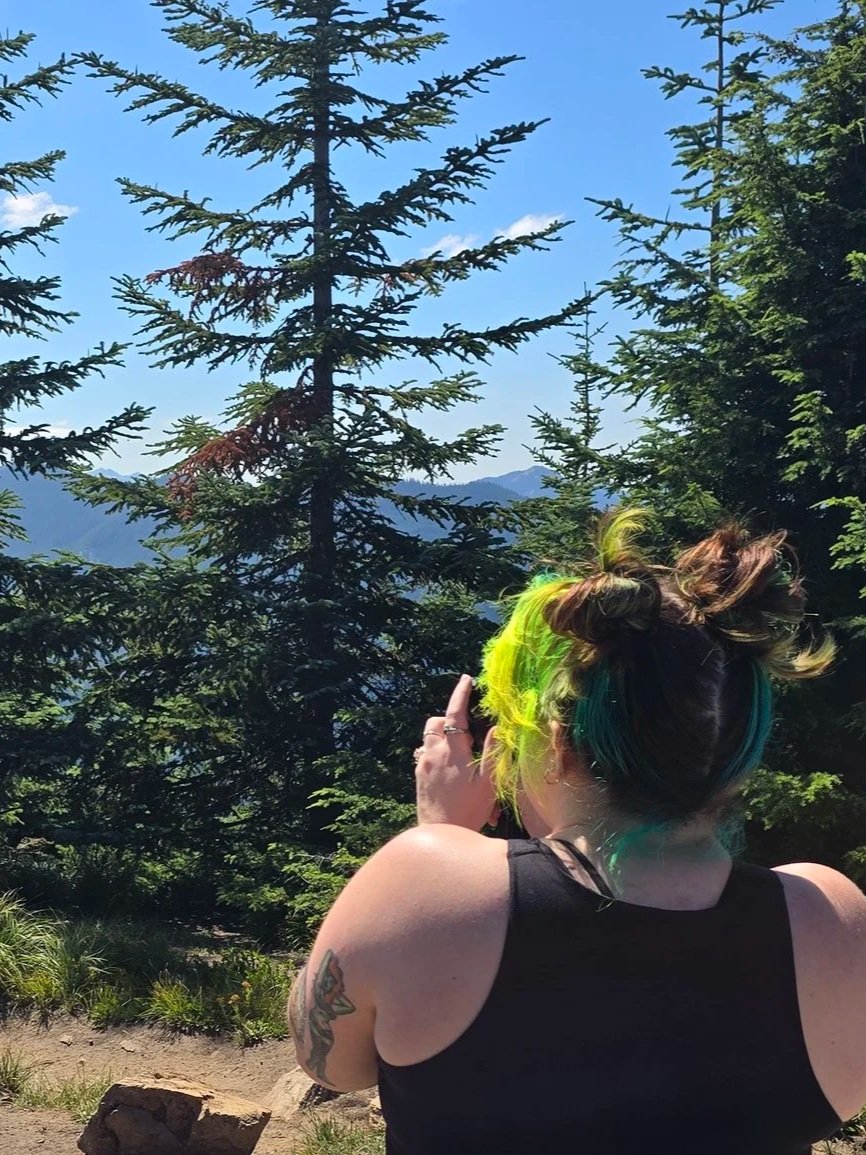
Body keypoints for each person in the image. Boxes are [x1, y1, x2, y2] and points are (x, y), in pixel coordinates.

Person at [287, 509, 866, 1154]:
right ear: (738, 751)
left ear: (562, 743)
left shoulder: (426, 882)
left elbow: (329, 1063)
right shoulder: (831, 917)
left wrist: (444, 837)